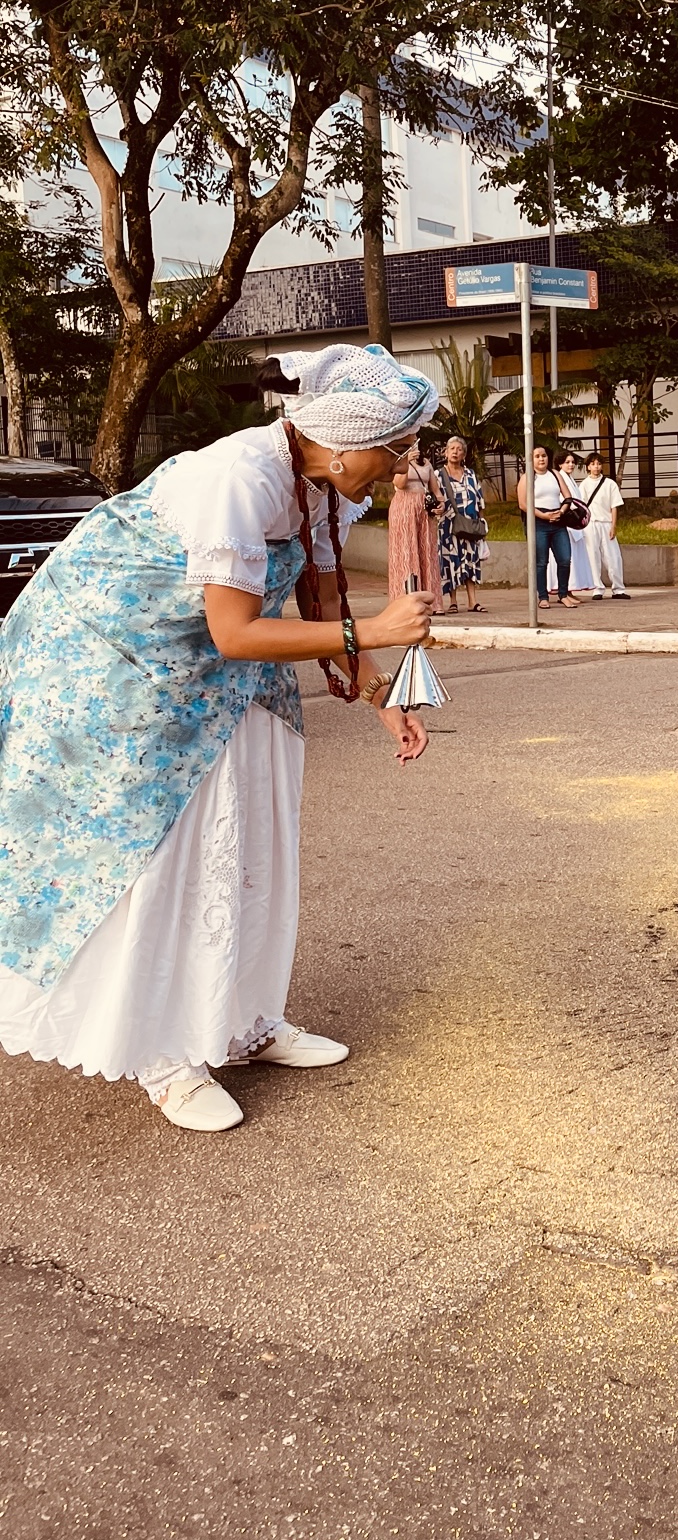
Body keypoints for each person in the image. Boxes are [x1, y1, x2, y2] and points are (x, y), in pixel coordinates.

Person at [0, 342, 436, 1131]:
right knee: (166, 850)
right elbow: (235, 631)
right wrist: (376, 627)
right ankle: (164, 1053)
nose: (405, 464)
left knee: (254, 828)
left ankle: (241, 1022)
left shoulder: (324, 488)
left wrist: (381, 695)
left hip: (213, 662)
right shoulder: (238, 477)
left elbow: (323, 597)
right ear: (341, 441)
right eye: (395, 446)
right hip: (122, 660)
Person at [516, 444, 577, 608]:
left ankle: (563, 594)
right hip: (538, 522)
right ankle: (543, 596)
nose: (541, 459)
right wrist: (543, 515)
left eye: (543, 455)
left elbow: (567, 497)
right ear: (531, 460)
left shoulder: (555, 474)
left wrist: (562, 512)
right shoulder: (527, 477)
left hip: (558, 521)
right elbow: (523, 504)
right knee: (541, 562)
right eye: (537, 456)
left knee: (564, 559)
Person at [387, 443, 444, 612]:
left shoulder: (426, 463)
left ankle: (431, 600)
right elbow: (400, 484)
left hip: (423, 509)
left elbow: (435, 490)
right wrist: (405, 462)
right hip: (404, 506)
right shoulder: (398, 463)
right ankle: (406, 599)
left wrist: (441, 504)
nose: (414, 449)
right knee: (407, 550)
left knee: (426, 550)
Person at [436, 435, 487, 615]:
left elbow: (480, 500)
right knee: (451, 562)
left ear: (464, 454)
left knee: (471, 562)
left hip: (470, 525)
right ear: (446, 452)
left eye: (459, 449)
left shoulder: (471, 474)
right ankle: (453, 601)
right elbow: (432, 499)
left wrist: (482, 523)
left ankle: (473, 601)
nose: (455, 452)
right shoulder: (438, 475)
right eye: (452, 449)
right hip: (448, 526)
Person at [581, 451, 629, 599]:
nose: (596, 467)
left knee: (613, 556)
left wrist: (613, 526)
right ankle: (597, 588)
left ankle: (618, 588)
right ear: (588, 467)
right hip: (590, 524)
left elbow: (614, 506)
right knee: (592, 556)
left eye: (599, 464)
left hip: (606, 522)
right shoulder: (583, 485)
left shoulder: (610, 484)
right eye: (593, 464)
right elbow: (581, 507)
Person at [559, 451, 596, 596]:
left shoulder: (570, 479)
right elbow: (564, 499)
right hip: (567, 524)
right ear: (560, 464)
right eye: (567, 462)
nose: (571, 465)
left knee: (574, 559)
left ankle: (569, 591)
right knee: (568, 559)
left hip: (575, 524)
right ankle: (565, 591)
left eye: (573, 462)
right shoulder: (561, 478)